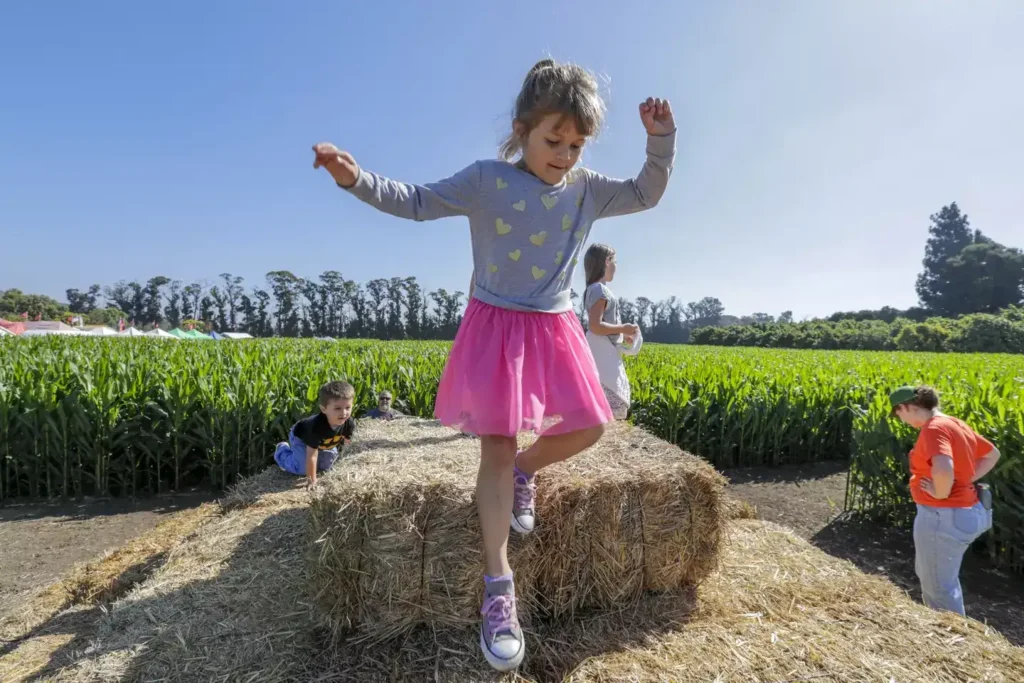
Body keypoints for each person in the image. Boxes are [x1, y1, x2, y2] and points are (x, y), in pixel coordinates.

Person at [312, 58, 675, 672]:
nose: (563, 154)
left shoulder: (587, 188)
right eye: (552, 140)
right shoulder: (486, 180)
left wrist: (660, 141)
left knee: (589, 425)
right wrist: (356, 179)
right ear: (521, 130)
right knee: (497, 449)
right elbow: (420, 201)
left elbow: (646, 192)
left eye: (575, 144)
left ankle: (530, 474)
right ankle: (497, 586)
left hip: (555, 326)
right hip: (498, 327)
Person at [889, 385, 1000, 617]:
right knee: (938, 577)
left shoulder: (933, 429)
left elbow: (943, 467)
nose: (899, 418)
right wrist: (964, 479)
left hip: (943, 516)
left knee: (939, 588)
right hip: (966, 510)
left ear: (906, 407)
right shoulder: (953, 423)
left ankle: (953, 644)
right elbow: (992, 454)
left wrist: (941, 491)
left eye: (898, 413)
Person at [583, 243, 640, 420]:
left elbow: (599, 325)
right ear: (607, 262)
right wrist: (623, 328)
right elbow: (596, 325)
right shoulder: (600, 289)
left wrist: (623, 334)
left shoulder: (593, 289)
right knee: (609, 400)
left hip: (601, 347)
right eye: (615, 261)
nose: (616, 266)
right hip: (603, 351)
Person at [274, 380, 356, 489]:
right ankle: (282, 450)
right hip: (302, 438)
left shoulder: (349, 423)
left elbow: (348, 444)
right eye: (337, 408)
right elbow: (311, 455)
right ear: (323, 409)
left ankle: (322, 454)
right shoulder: (316, 427)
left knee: (329, 466)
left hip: (325, 442)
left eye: (348, 407)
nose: (344, 413)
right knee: (302, 469)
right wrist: (312, 480)